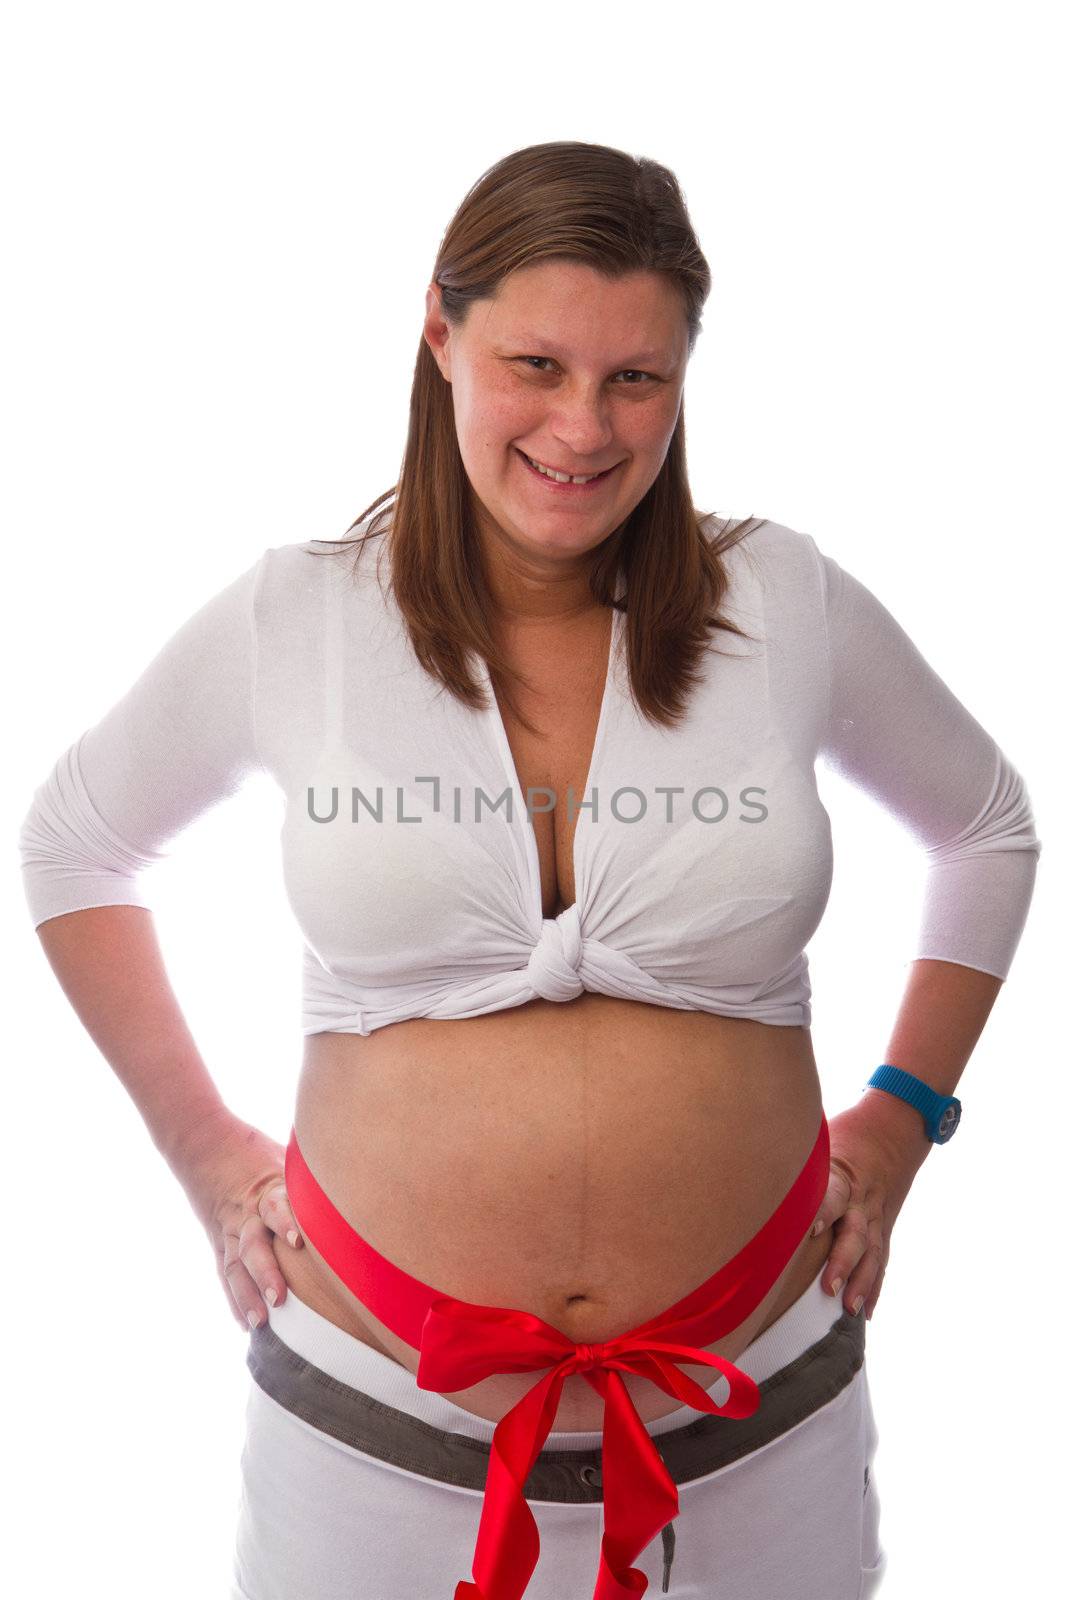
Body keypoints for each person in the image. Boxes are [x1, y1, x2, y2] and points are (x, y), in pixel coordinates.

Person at [18, 140, 1040, 1600]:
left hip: (757, 1421)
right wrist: (201, 1149)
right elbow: (73, 842)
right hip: (377, 1437)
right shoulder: (294, 621)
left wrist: (902, 1116)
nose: (585, 425)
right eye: (538, 363)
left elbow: (987, 824)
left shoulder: (784, 601)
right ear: (439, 334)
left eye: (639, 377)